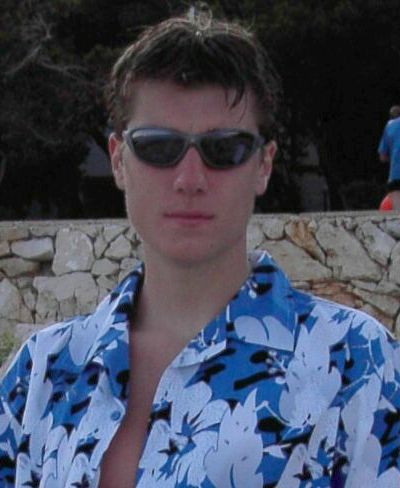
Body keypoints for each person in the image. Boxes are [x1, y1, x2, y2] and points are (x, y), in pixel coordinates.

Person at [1, 11, 400, 488]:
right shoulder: (42, 374)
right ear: (118, 161)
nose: (189, 179)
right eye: (158, 147)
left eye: (224, 149)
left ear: (264, 164)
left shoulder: (357, 365)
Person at [378, 104, 400, 210]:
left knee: (398, 212)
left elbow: (382, 157)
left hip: (396, 175)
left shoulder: (389, 126)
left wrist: (394, 158)